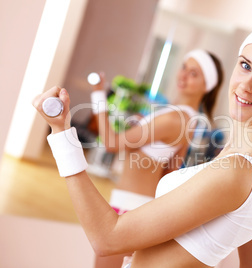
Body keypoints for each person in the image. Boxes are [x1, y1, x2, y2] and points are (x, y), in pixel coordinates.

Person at [33, 23, 252, 267]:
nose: (247, 85)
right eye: (245, 65)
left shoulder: (238, 169)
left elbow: (107, 238)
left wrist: (61, 131)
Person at [90, 50, 224, 266]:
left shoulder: (174, 118)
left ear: (206, 86)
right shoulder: (188, 119)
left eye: (194, 73)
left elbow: (110, 144)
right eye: (183, 67)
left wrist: (98, 94)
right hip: (138, 210)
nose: (183, 76)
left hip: (129, 211)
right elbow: (169, 173)